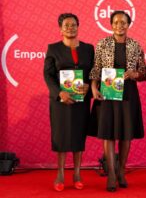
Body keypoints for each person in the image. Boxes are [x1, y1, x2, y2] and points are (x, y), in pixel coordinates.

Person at [89, 10, 146, 192]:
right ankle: (112, 174)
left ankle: (121, 170)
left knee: (126, 133)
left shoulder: (135, 45)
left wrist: (135, 74)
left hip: (128, 91)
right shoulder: (102, 44)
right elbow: (96, 69)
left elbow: (143, 72)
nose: (119, 25)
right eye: (116, 22)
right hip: (107, 91)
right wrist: (93, 88)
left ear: (128, 24)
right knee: (108, 133)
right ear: (111, 24)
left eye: (123, 22)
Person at [44, 13, 94, 191]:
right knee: (61, 136)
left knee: (79, 135)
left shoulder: (89, 49)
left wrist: (89, 85)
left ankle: (78, 173)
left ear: (78, 27)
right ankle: (60, 174)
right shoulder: (53, 48)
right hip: (60, 102)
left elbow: (93, 73)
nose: (70, 28)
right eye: (66, 25)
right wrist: (59, 93)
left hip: (81, 99)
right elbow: (48, 75)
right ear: (60, 29)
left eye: (73, 25)